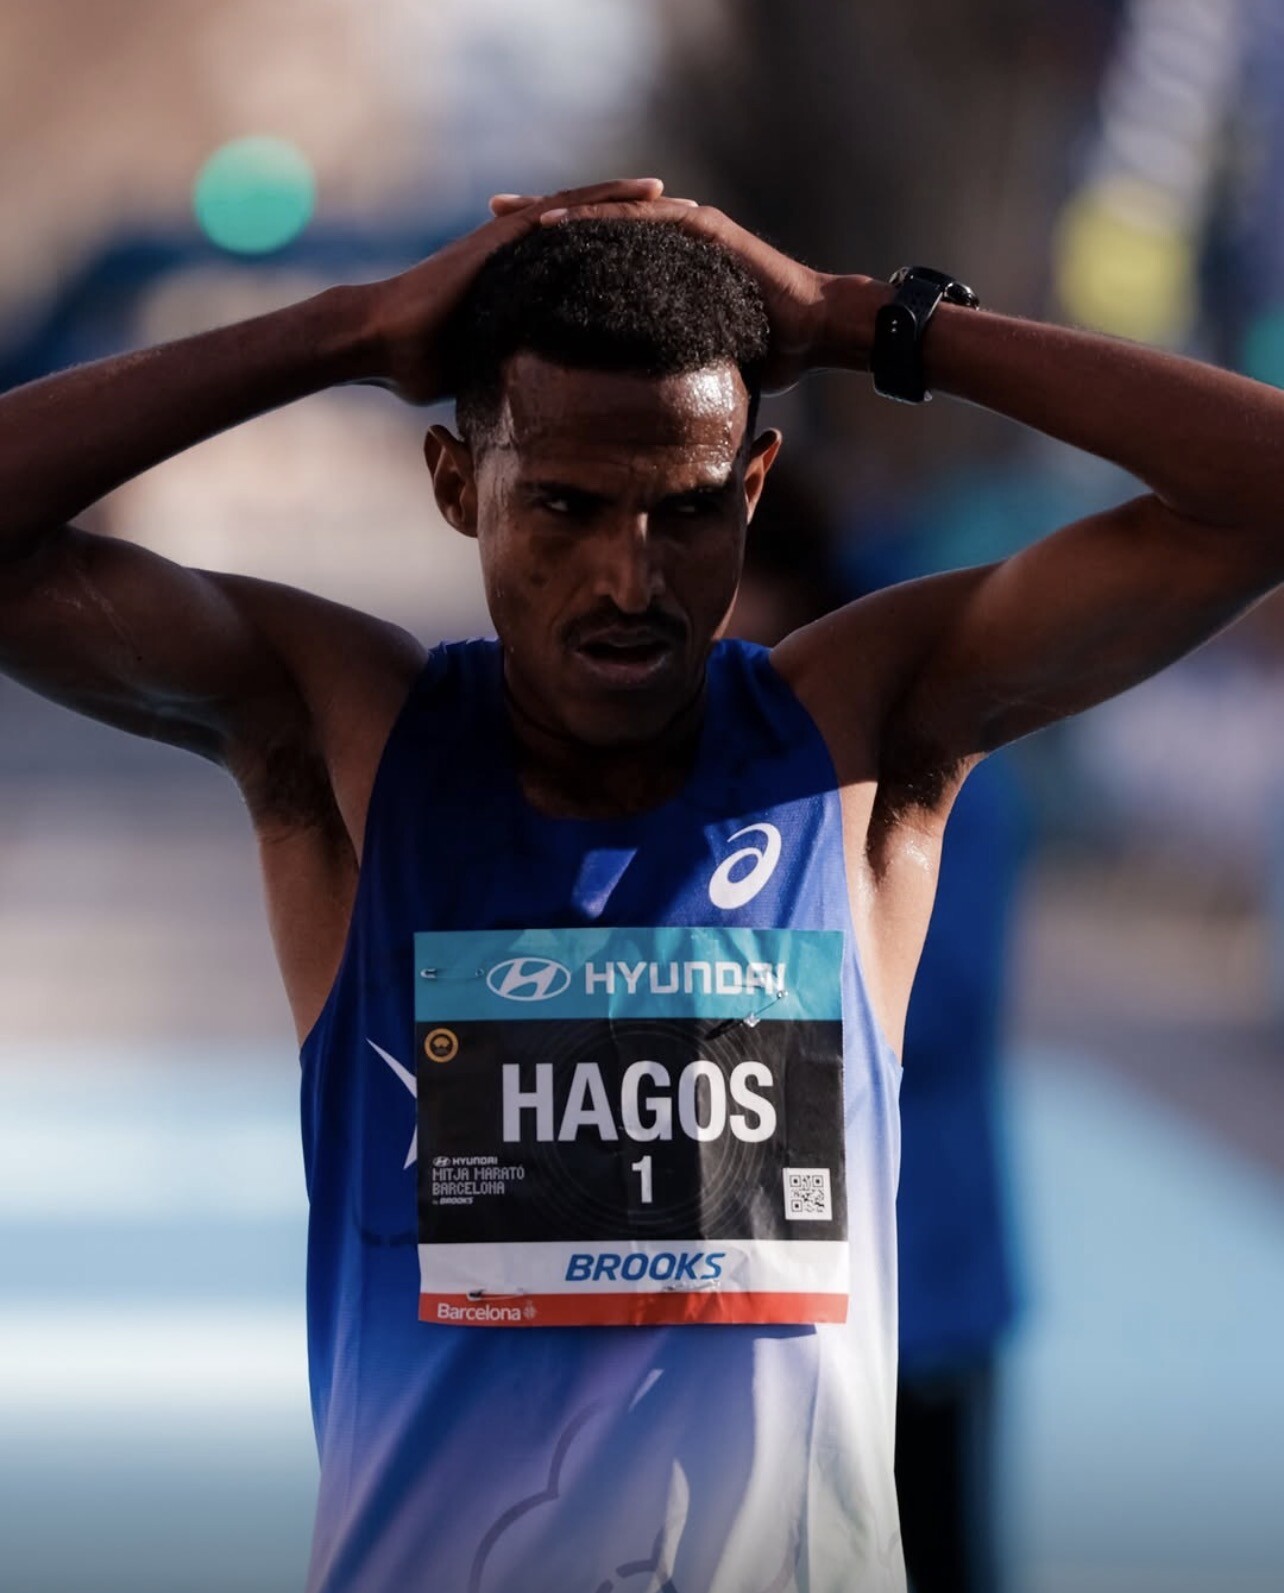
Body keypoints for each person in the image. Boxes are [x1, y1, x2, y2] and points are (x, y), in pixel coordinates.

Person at [1, 175, 1281, 1593]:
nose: (630, 578)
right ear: (456, 485)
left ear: (754, 489)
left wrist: (862, 321)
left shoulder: (857, 744)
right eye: (565, 505)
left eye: (687, 512)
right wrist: (349, 330)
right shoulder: (352, 742)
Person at [728, 464, 1026, 1593]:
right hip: (751, 1293)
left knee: (930, 1549)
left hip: (916, 1280)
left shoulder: (916, 748)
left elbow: (935, 1005)